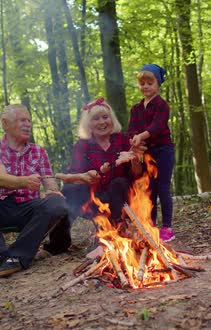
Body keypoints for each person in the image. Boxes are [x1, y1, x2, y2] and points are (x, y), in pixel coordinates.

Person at [0, 104, 68, 279]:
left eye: (29, 120)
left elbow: (50, 185)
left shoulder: (38, 151)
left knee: (57, 202)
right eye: (21, 120)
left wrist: (52, 192)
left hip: (28, 208)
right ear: (5, 124)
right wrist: (24, 182)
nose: (27, 124)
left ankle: (16, 256)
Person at [52, 98, 143, 255]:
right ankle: (58, 244)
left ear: (111, 119)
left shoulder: (122, 139)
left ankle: (114, 234)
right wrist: (86, 176)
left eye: (105, 117)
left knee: (120, 182)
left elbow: (137, 175)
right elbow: (74, 175)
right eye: (96, 118)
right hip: (94, 199)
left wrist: (135, 160)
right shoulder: (83, 145)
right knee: (68, 190)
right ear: (89, 124)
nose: (102, 122)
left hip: (122, 197)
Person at [127, 64, 175, 242]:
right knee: (150, 189)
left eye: (150, 82)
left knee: (163, 188)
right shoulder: (136, 109)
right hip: (146, 152)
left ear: (158, 84)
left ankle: (167, 227)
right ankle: (151, 224)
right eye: (142, 83)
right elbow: (131, 129)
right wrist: (132, 139)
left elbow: (157, 126)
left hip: (163, 150)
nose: (146, 86)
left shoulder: (162, 105)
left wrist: (141, 136)